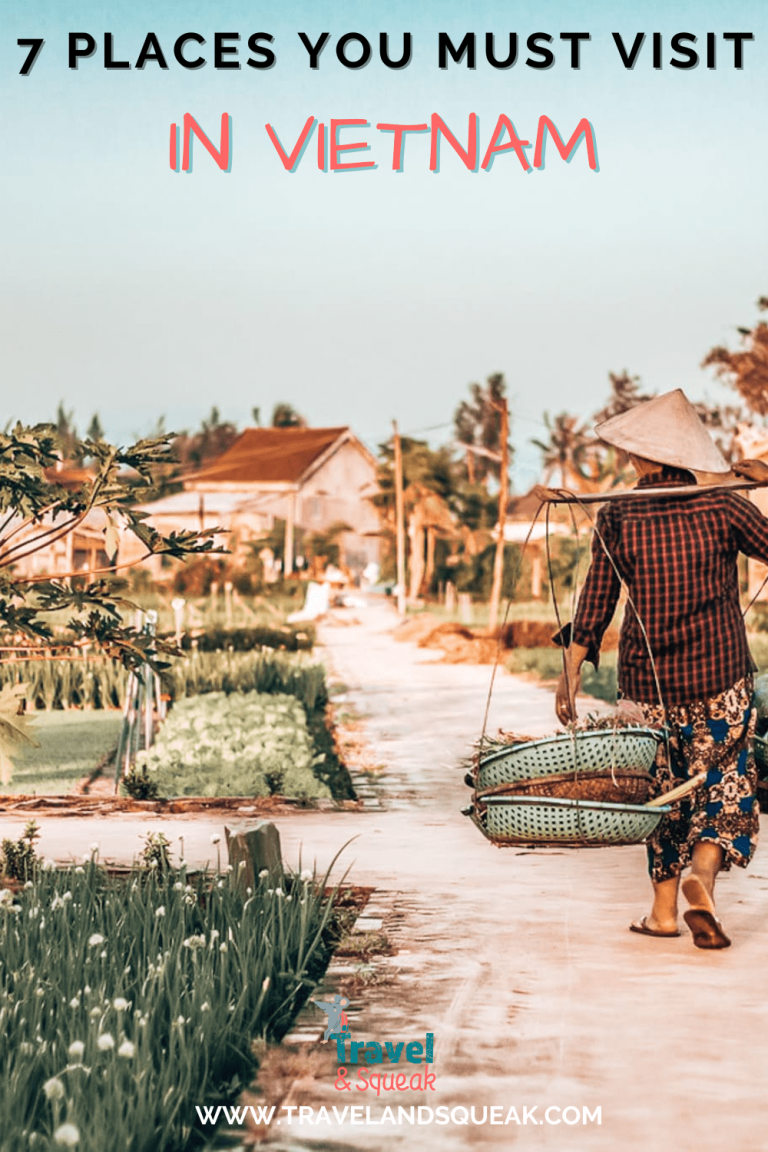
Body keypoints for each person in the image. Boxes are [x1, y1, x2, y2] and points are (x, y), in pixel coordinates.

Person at [555, 389, 768, 949]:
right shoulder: (725, 505)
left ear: (641, 459)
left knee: (665, 792)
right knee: (724, 782)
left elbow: (595, 602)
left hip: (649, 689)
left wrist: (571, 668)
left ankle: (665, 911)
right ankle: (704, 878)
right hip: (721, 676)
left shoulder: (619, 513)